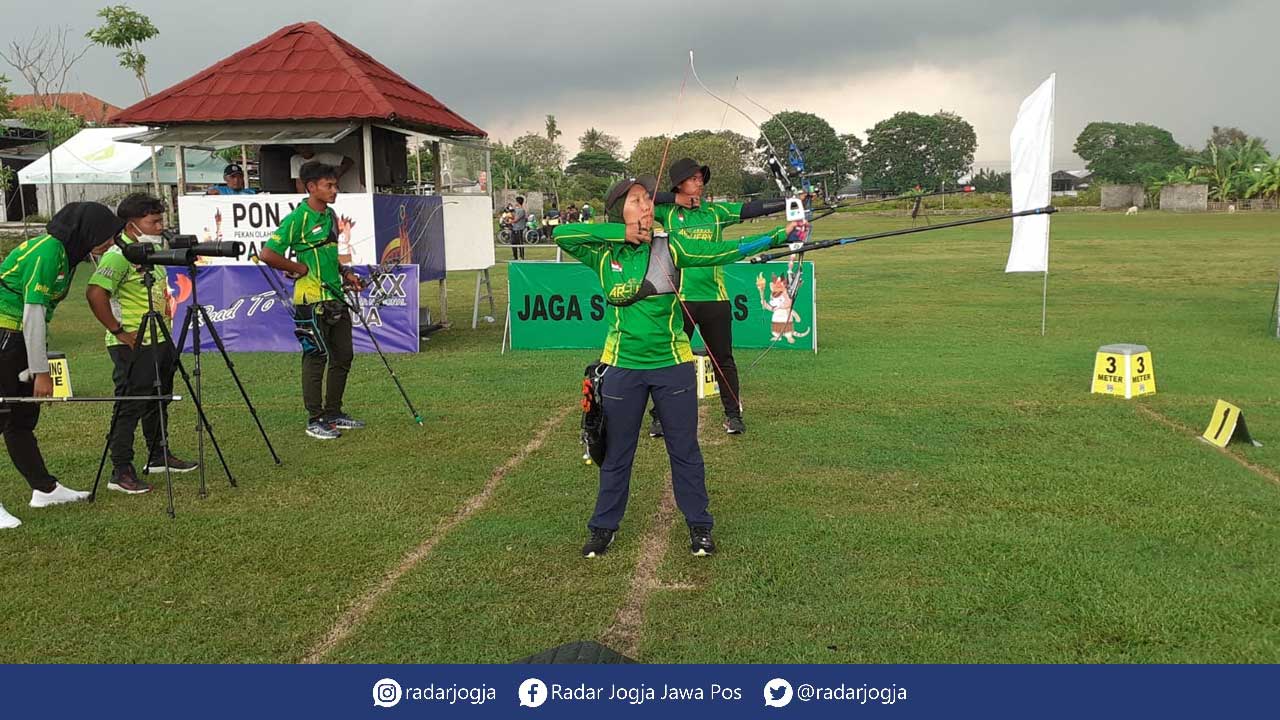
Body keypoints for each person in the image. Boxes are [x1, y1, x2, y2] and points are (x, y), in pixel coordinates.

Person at [554, 175, 798, 558]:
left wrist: (778, 237)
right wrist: (622, 233)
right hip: (622, 367)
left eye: (648, 201)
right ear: (620, 210)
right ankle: (603, 527)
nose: (647, 206)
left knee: (684, 449)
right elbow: (564, 235)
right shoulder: (603, 253)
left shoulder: (670, 247)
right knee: (617, 453)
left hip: (673, 365)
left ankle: (699, 525)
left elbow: (723, 251)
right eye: (636, 201)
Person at [647, 157, 798, 437]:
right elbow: (641, 194)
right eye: (693, 179)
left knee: (722, 360)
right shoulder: (666, 211)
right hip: (680, 299)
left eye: (700, 178)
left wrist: (791, 202)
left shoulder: (715, 212)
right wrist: (676, 199)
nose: (699, 182)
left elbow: (749, 208)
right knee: (669, 359)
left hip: (715, 298)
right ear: (680, 184)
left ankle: (732, 415)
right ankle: (659, 417)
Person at [0, 203, 125, 529]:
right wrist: (41, 370)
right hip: (5, 334)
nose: (109, 244)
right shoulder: (49, 251)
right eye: (105, 238)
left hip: (16, 338)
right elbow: (33, 313)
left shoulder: (65, 253)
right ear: (85, 233)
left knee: (21, 419)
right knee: (3, 415)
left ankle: (45, 490)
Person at [86, 193, 197, 495]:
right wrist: (118, 330)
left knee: (159, 398)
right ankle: (120, 469)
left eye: (161, 219)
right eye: (154, 221)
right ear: (133, 224)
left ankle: (158, 454)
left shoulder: (149, 250)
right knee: (130, 405)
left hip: (160, 337)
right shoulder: (117, 255)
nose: (160, 225)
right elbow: (96, 292)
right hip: (133, 342)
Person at [260, 163, 366, 440]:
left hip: (335, 296)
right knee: (316, 356)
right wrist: (298, 269)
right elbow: (268, 254)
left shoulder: (330, 215)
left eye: (335, 185)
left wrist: (346, 273)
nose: (335, 191)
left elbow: (330, 256)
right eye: (328, 186)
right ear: (311, 187)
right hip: (310, 299)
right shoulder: (298, 218)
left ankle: (334, 412)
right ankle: (315, 419)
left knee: (343, 356)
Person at [290, 145, 363, 194]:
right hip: (313, 195)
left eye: (307, 146)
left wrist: (337, 173)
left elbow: (349, 161)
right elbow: (299, 183)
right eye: (301, 147)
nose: (305, 149)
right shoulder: (295, 160)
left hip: (330, 194)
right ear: (297, 149)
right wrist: (302, 198)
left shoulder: (326, 156)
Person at [509, 196, 528, 260]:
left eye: (516, 201)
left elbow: (516, 219)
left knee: (520, 243)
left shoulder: (521, 210)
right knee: (513, 243)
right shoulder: (517, 210)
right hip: (514, 229)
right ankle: (515, 257)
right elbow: (514, 217)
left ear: (518, 202)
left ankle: (522, 257)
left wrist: (510, 221)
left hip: (519, 229)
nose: (515, 203)